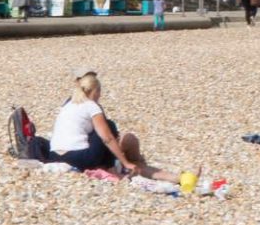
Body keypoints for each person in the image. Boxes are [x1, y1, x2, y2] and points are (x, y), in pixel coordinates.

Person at [37, 71, 176, 179]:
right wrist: (125, 162)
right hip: (79, 159)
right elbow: (107, 138)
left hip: (54, 155)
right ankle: (113, 166)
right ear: (96, 91)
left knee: (99, 130)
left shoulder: (68, 105)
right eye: (99, 92)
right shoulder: (91, 106)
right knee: (108, 125)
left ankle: (120, 160)